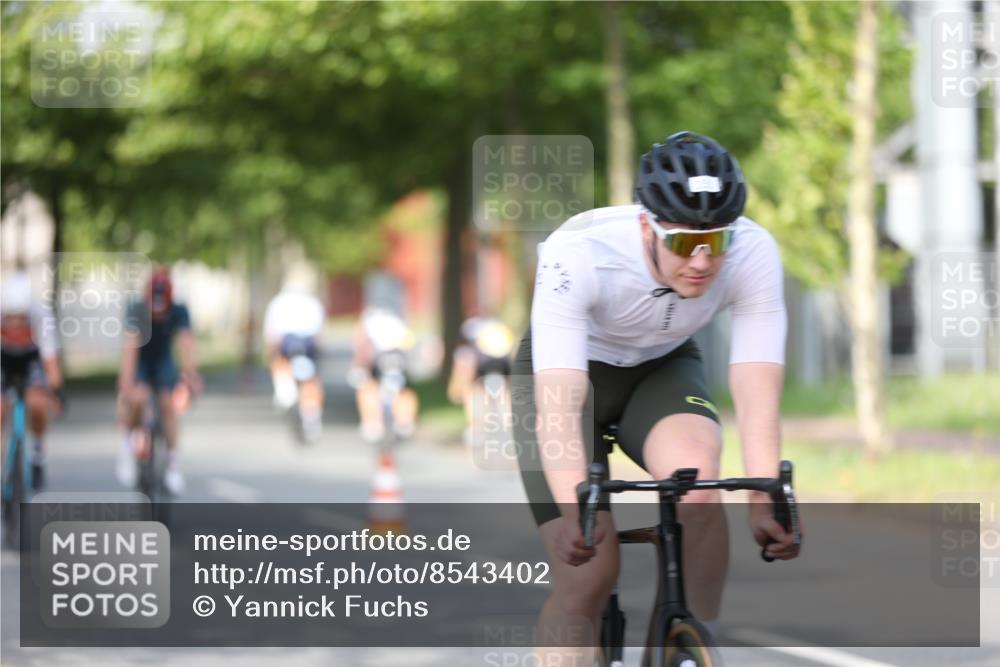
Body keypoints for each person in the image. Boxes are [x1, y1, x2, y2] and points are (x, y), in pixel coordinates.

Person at [513, 132, 802, 659]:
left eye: (714, 242)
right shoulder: (577, 251)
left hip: (661, 367)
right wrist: (572, 505)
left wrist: (765, 498)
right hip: (569, 379)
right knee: (590, 573)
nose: (700, 261)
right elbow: (558, 404)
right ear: (646, 225)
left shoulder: (754, 250)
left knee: (697, 486)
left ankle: (692, 644)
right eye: (682, 243)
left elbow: (757, 386)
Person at [117, 266, 201, 494]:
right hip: (141, 360)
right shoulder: (136, 309)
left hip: (163, 360)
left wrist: (191, 376)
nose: (157, 314)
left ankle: (173, 464)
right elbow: (130, 348)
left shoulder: (179, 311)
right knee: (137, 397)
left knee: (169, 404)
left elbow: (186, 344)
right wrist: (126, 382)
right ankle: (127, 447)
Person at [0, 271, 63, 490]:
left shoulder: (42, 316)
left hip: (31, 359)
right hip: (4, 358)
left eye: (21, 319)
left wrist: (56, 392)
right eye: (10, 319)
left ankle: (37, 454)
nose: (16, 325)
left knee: (37, 403)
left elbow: (50, 362)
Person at [262, 276, 326, 440]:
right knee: (311, 381)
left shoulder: (278, 302)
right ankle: (312, 415)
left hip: (287, 343)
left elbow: (272, 333)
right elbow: (319, 331)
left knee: (279, 361)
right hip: (307, 344)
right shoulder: (312, 303)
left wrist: (270, 351)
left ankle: (284, 388)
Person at [350, 306, 418, 442]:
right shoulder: (400, 319)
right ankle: (405, 421)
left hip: (378, 358)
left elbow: (361, 345)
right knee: (405, 390)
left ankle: (371, 422)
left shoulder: (368, 321)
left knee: (367, 386)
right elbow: (411, 344)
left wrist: (358, 366)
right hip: (399, 358)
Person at [448, 315, 514, 445]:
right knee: (505, 396)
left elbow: (464, 370)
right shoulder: (500, 341)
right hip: (501, 369)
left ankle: (477, 429)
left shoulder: (469, 349)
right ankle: (510, 429)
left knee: (475, 395)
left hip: (482, 373)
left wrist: (455, 389)